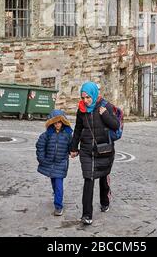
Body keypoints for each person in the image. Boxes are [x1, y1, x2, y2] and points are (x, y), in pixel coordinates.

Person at [70, 81, 119, 225]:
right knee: (88, 179)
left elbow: (115, 126)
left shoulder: (106, 107)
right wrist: (73, 148)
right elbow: (78, 129)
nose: (85, 101)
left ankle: (105, 201)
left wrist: (105, 116)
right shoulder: (81, 110)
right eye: (83, 97)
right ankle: (87, 215)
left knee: (103, 178)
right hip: (87, 150)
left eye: (88, 98)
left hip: (104, 150)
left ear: (93, 94)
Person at [36, 109, 73, 216]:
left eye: (59, 122)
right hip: (49, 163)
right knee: (53, 182)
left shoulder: (67, 134)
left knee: (58, 183)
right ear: (52, 123)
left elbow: (71, 146)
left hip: (61, 162)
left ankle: (58, 206)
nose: (57, 124)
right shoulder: (47, 134)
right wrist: (41, 158)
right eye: (55, 122)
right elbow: (40, 146)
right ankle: (56, 193)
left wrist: (74, 151)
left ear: (63, 122)